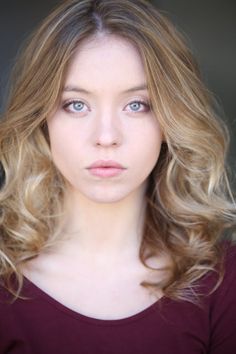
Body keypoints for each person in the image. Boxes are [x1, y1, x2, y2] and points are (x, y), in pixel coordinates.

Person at [0, 0, 235, 353]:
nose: (107, 136)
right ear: (41, 120)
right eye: (76, 104)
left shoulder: (223, 281)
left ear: (170, 121)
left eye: (137, 104)